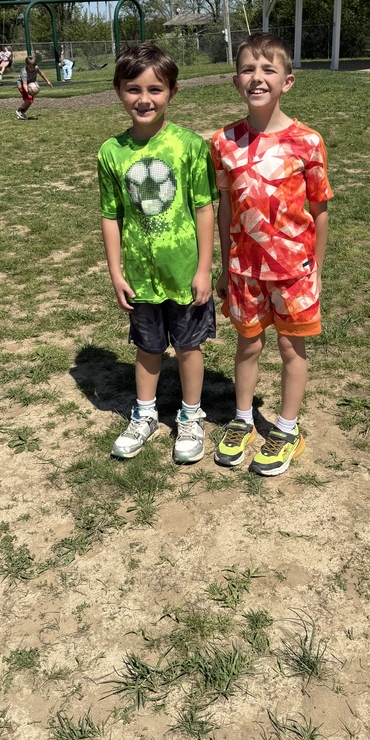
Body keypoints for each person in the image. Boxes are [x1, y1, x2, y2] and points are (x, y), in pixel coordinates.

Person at [211, 33, 333, 477]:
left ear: (288, 81)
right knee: (248, 343)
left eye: (268, 70)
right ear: (235, 81)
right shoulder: (223, 142)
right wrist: (225, 265)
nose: (257, 78)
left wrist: (315, 267)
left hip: (293, 271)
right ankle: (242, 419)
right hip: (244, 268)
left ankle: (286, 427)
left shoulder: (308, 142)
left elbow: (319, 210)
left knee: (289, 346)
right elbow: (225, 209)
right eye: (247, 69)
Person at [98, 43, 216, 464]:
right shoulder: (110, 153)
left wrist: (204, 268)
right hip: (139, 274)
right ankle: (145, 414)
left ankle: (190, 416)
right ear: (117, 91)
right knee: (147, 348)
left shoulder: (189, 146)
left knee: (188, 347)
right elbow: (110, 216)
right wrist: (115, 273)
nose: (144, 99)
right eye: (133, 89)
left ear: (172, 92)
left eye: (155, 89)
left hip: (184, 273)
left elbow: (204, 207)